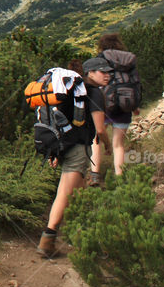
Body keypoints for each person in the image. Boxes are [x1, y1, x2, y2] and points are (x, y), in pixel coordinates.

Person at [37, 62, 111, 258]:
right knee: (65, 192)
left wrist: (54, 152)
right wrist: (108, 145)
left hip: (63, 146)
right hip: (78, 149)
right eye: (102, 72)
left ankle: (85, 240)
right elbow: (100, 129)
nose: (107, 75)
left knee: (78, 194)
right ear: (90, 73)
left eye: (109, 72)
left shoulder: (70, 90)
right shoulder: (93, 93)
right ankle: (47, 240)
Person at [90, 33, 141, 182]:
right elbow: (136, 83)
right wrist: (135, 106)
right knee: (118, 144)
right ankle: (120, 177)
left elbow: (95, 83)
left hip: (104, 104)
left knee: (96, 140)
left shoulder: (100, 59)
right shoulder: (129, 60)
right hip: (125, 105)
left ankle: (95, 175)